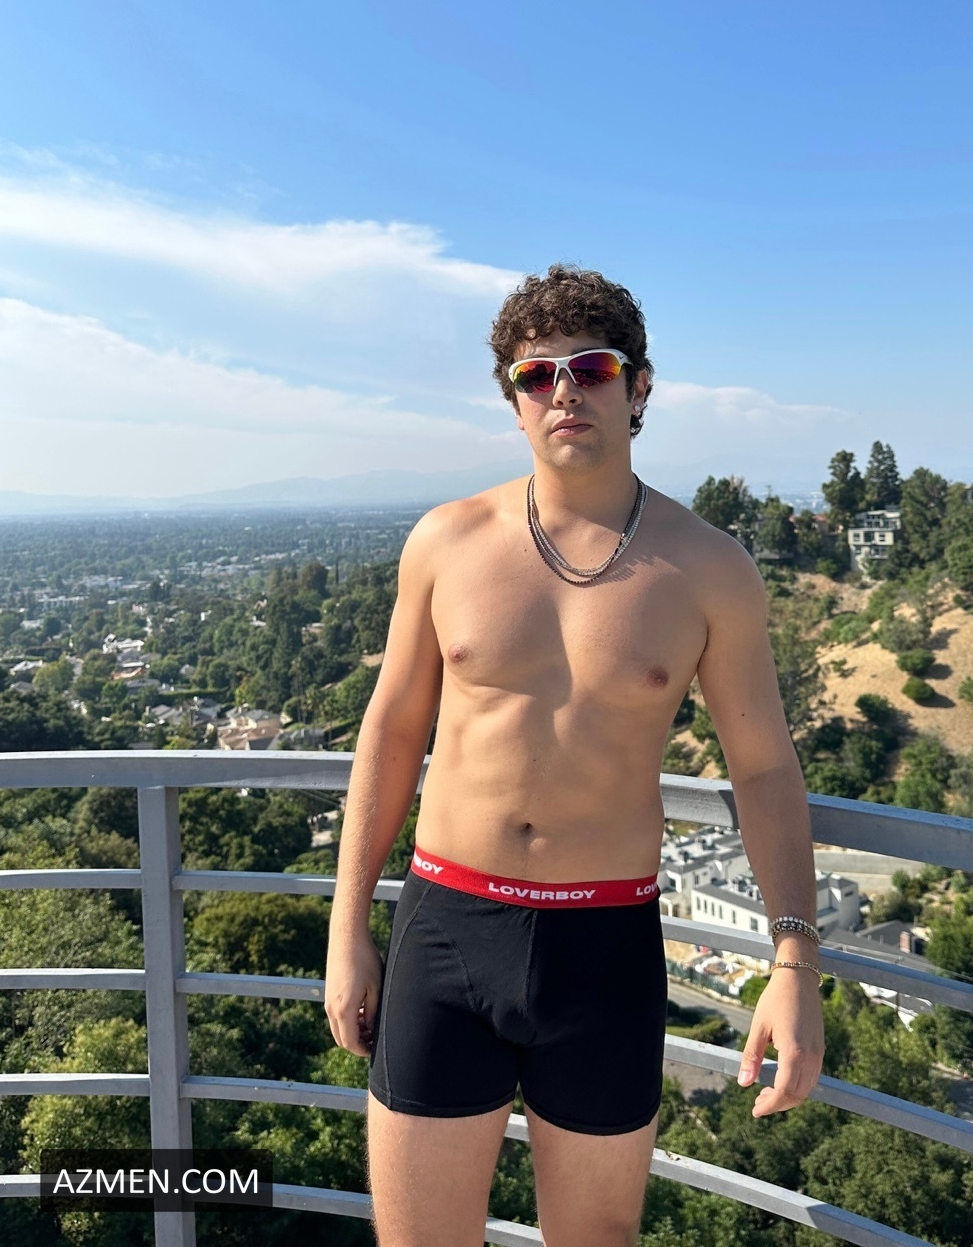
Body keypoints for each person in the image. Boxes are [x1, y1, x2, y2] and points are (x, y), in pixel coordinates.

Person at [325, 265, 824, 1247]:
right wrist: (348, 927)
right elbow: (390, 732)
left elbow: (763, 767)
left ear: (638, 388)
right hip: (445, 928)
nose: (564, 391)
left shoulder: (709, 567)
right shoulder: (446, 542)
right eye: (535, 374)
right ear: (512, 401)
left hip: (605, 945)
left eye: (590, 368)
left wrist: (795, 961)